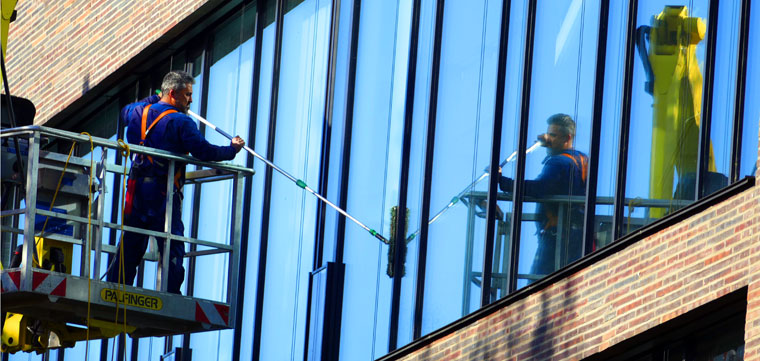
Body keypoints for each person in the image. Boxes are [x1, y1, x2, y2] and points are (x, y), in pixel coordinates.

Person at [107, 70, 245, 294]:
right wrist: (232, 150)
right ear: (173, 93)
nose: (191, 100)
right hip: (163, 193)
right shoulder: (181, 122)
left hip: (136, 190)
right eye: (187, 94)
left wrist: (153, 98)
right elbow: (204, 151)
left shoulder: (138, 112)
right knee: (172, 244)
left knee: (132, 242)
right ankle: (170, 293)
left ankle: (115, 288)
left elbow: (124, 112)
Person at [497, 113, 587, 278]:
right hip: (579, 233)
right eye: (548, 134)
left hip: (556, 235)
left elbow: (539, 188)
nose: (548, 139)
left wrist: (503, 182)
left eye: (553, 135)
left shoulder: (559, 162)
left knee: (537, 288)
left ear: (567, 138)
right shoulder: (582, 160)